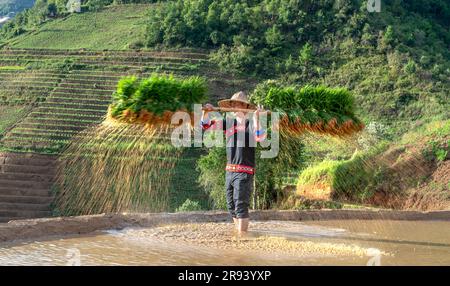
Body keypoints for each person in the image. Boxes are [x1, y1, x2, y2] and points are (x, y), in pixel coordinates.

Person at [201, 91, 266, 234]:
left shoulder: (250, 124)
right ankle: (239, 233)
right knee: (231, 206)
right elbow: (205, 127)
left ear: (245, 107)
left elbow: (260, 137)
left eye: (239, 104)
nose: (236, 106)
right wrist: (206, 113)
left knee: (240, 205)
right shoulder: (228, 124)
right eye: (233, 104)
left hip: (244, 171)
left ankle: (242, 238)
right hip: (230, 171)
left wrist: (256, 117)